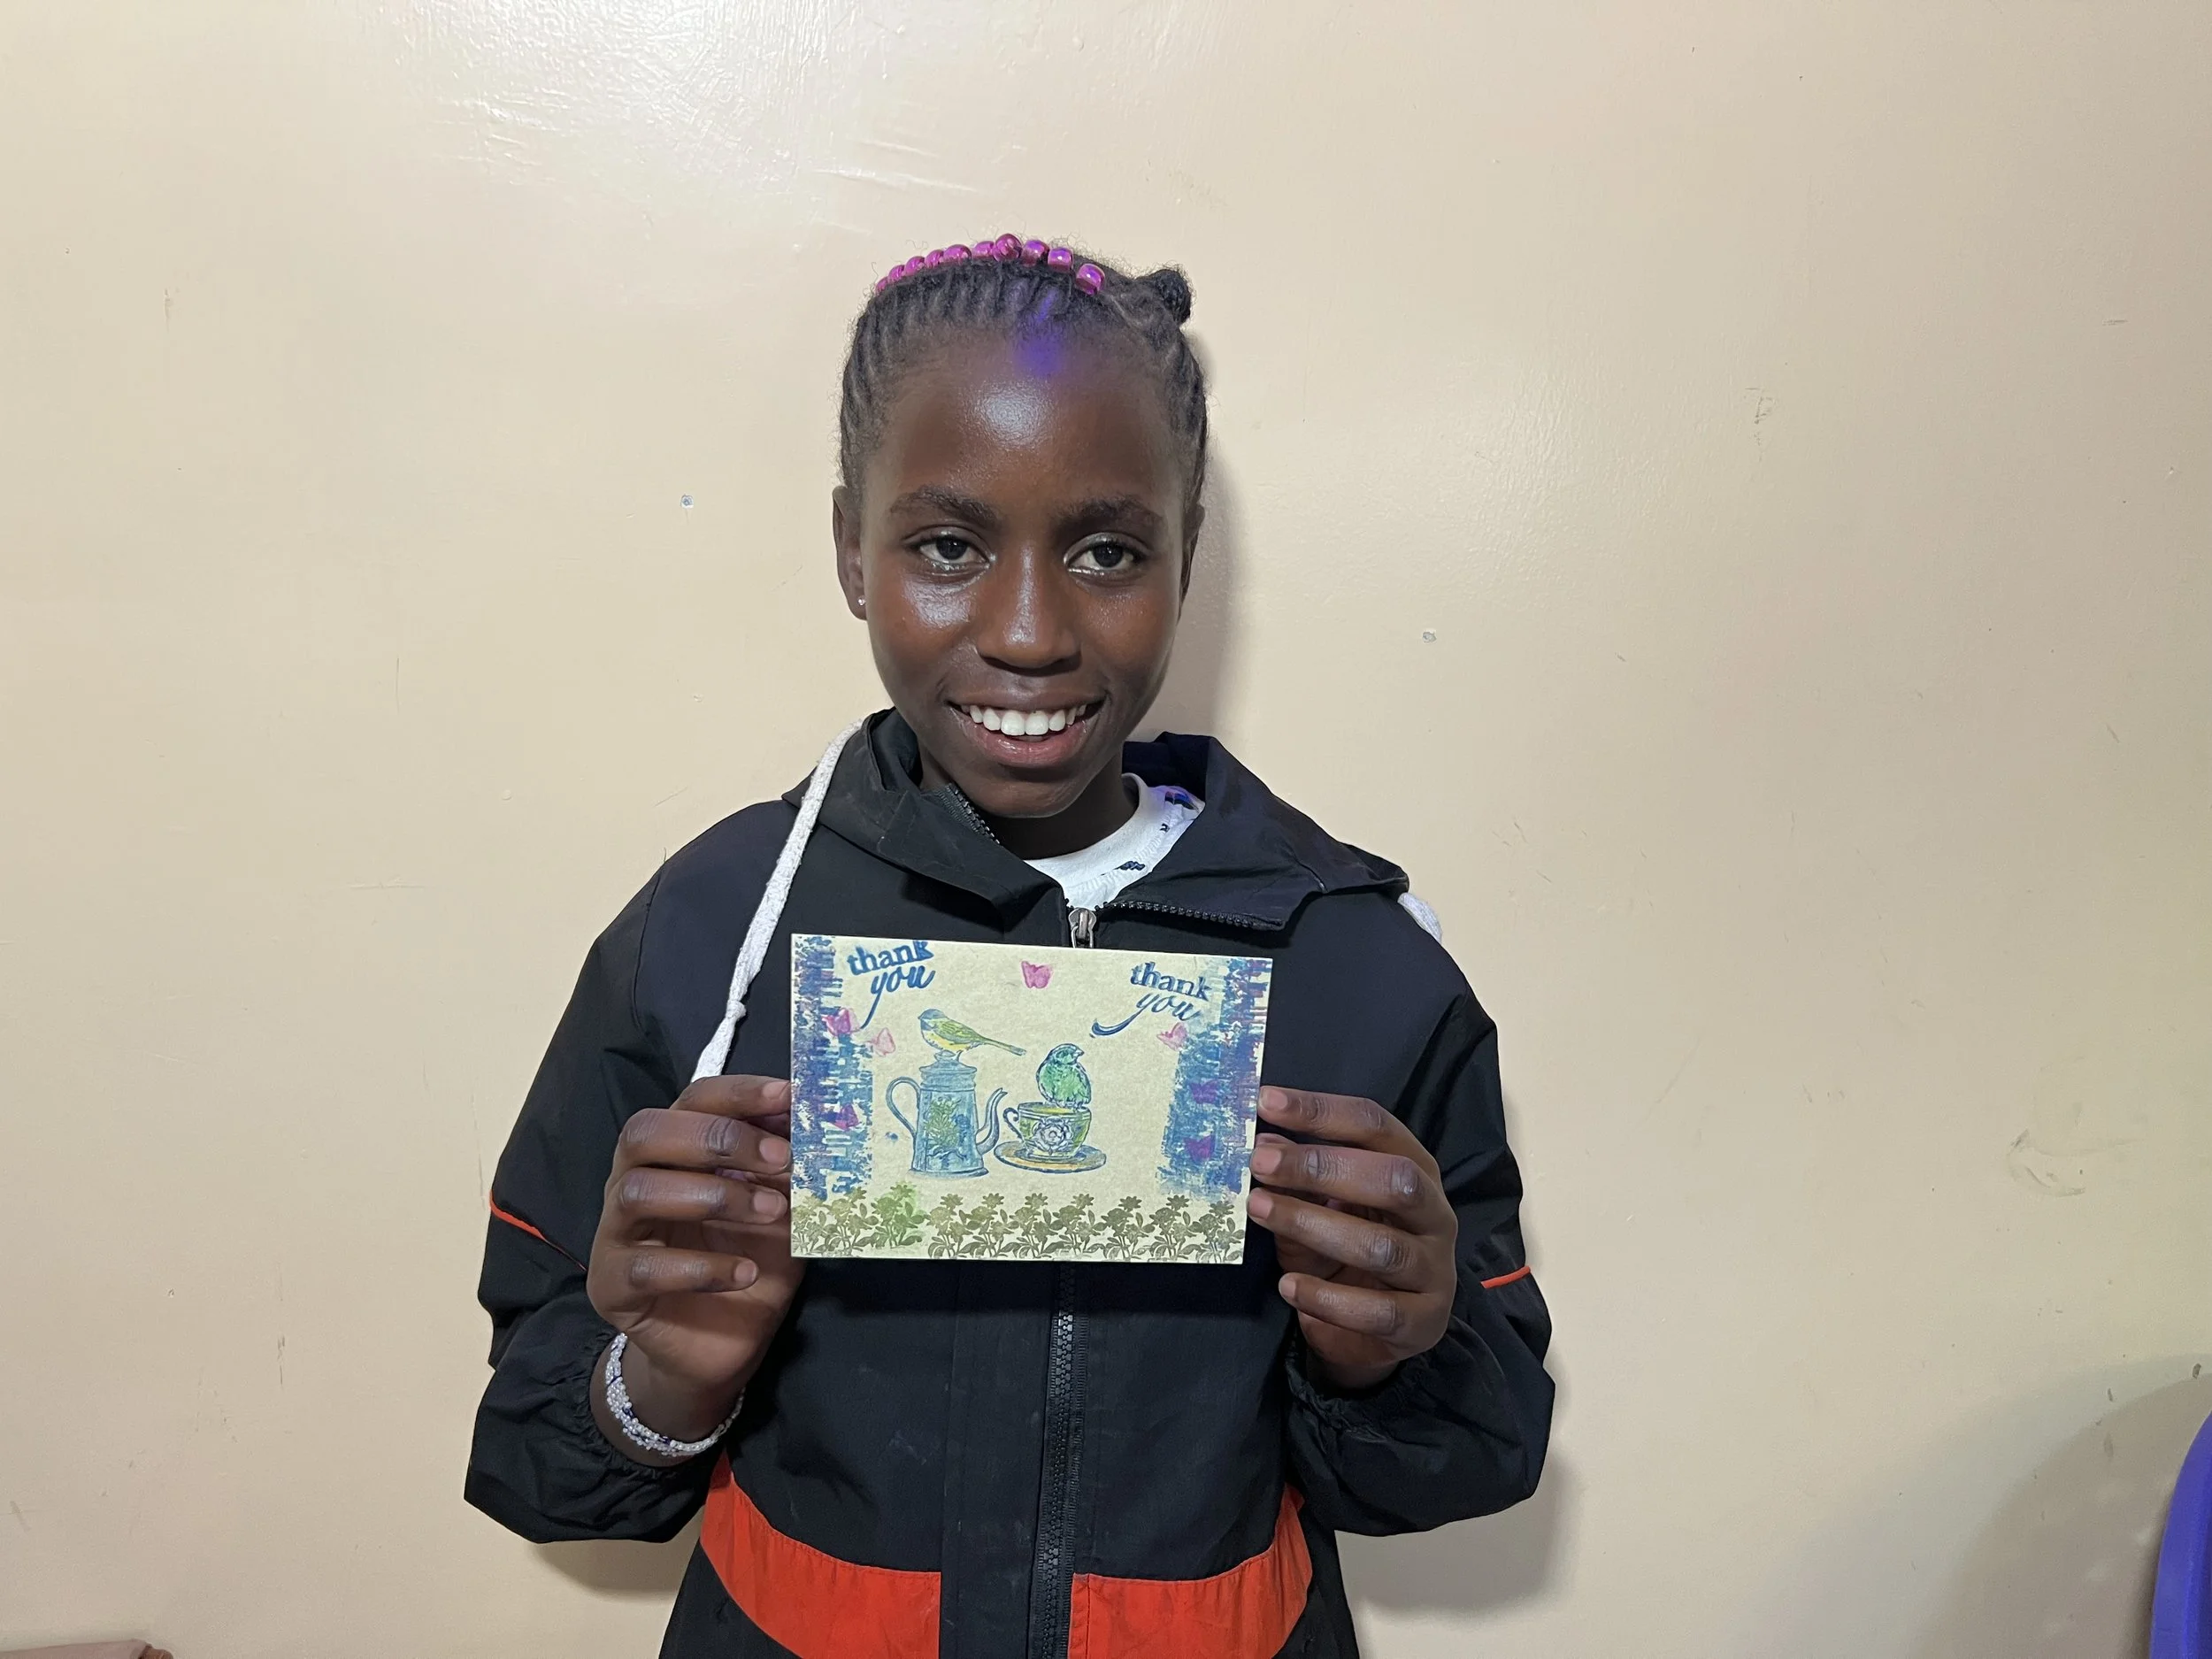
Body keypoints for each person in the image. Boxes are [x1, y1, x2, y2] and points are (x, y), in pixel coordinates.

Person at [466, 234, 1554, 1659]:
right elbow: (536, 1450)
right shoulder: (715, 930)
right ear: (851, 550)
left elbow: (1473, 1455)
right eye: (948, 547)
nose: (1030, 632)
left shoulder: (1354, 960)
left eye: (1107, 551)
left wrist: (1392, 1353)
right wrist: (659, 1381)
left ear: (1185, 556)